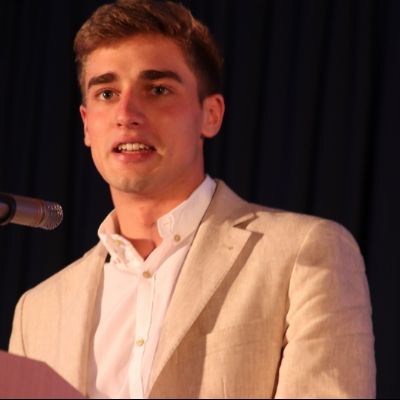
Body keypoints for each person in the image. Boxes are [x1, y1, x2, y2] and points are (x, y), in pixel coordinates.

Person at [8, 0, 376, 398]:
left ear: (210, 114)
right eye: (107, 93)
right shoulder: (37, 311)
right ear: (86, 125)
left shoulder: (304, 253)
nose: (126, 113)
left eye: (158, 90)